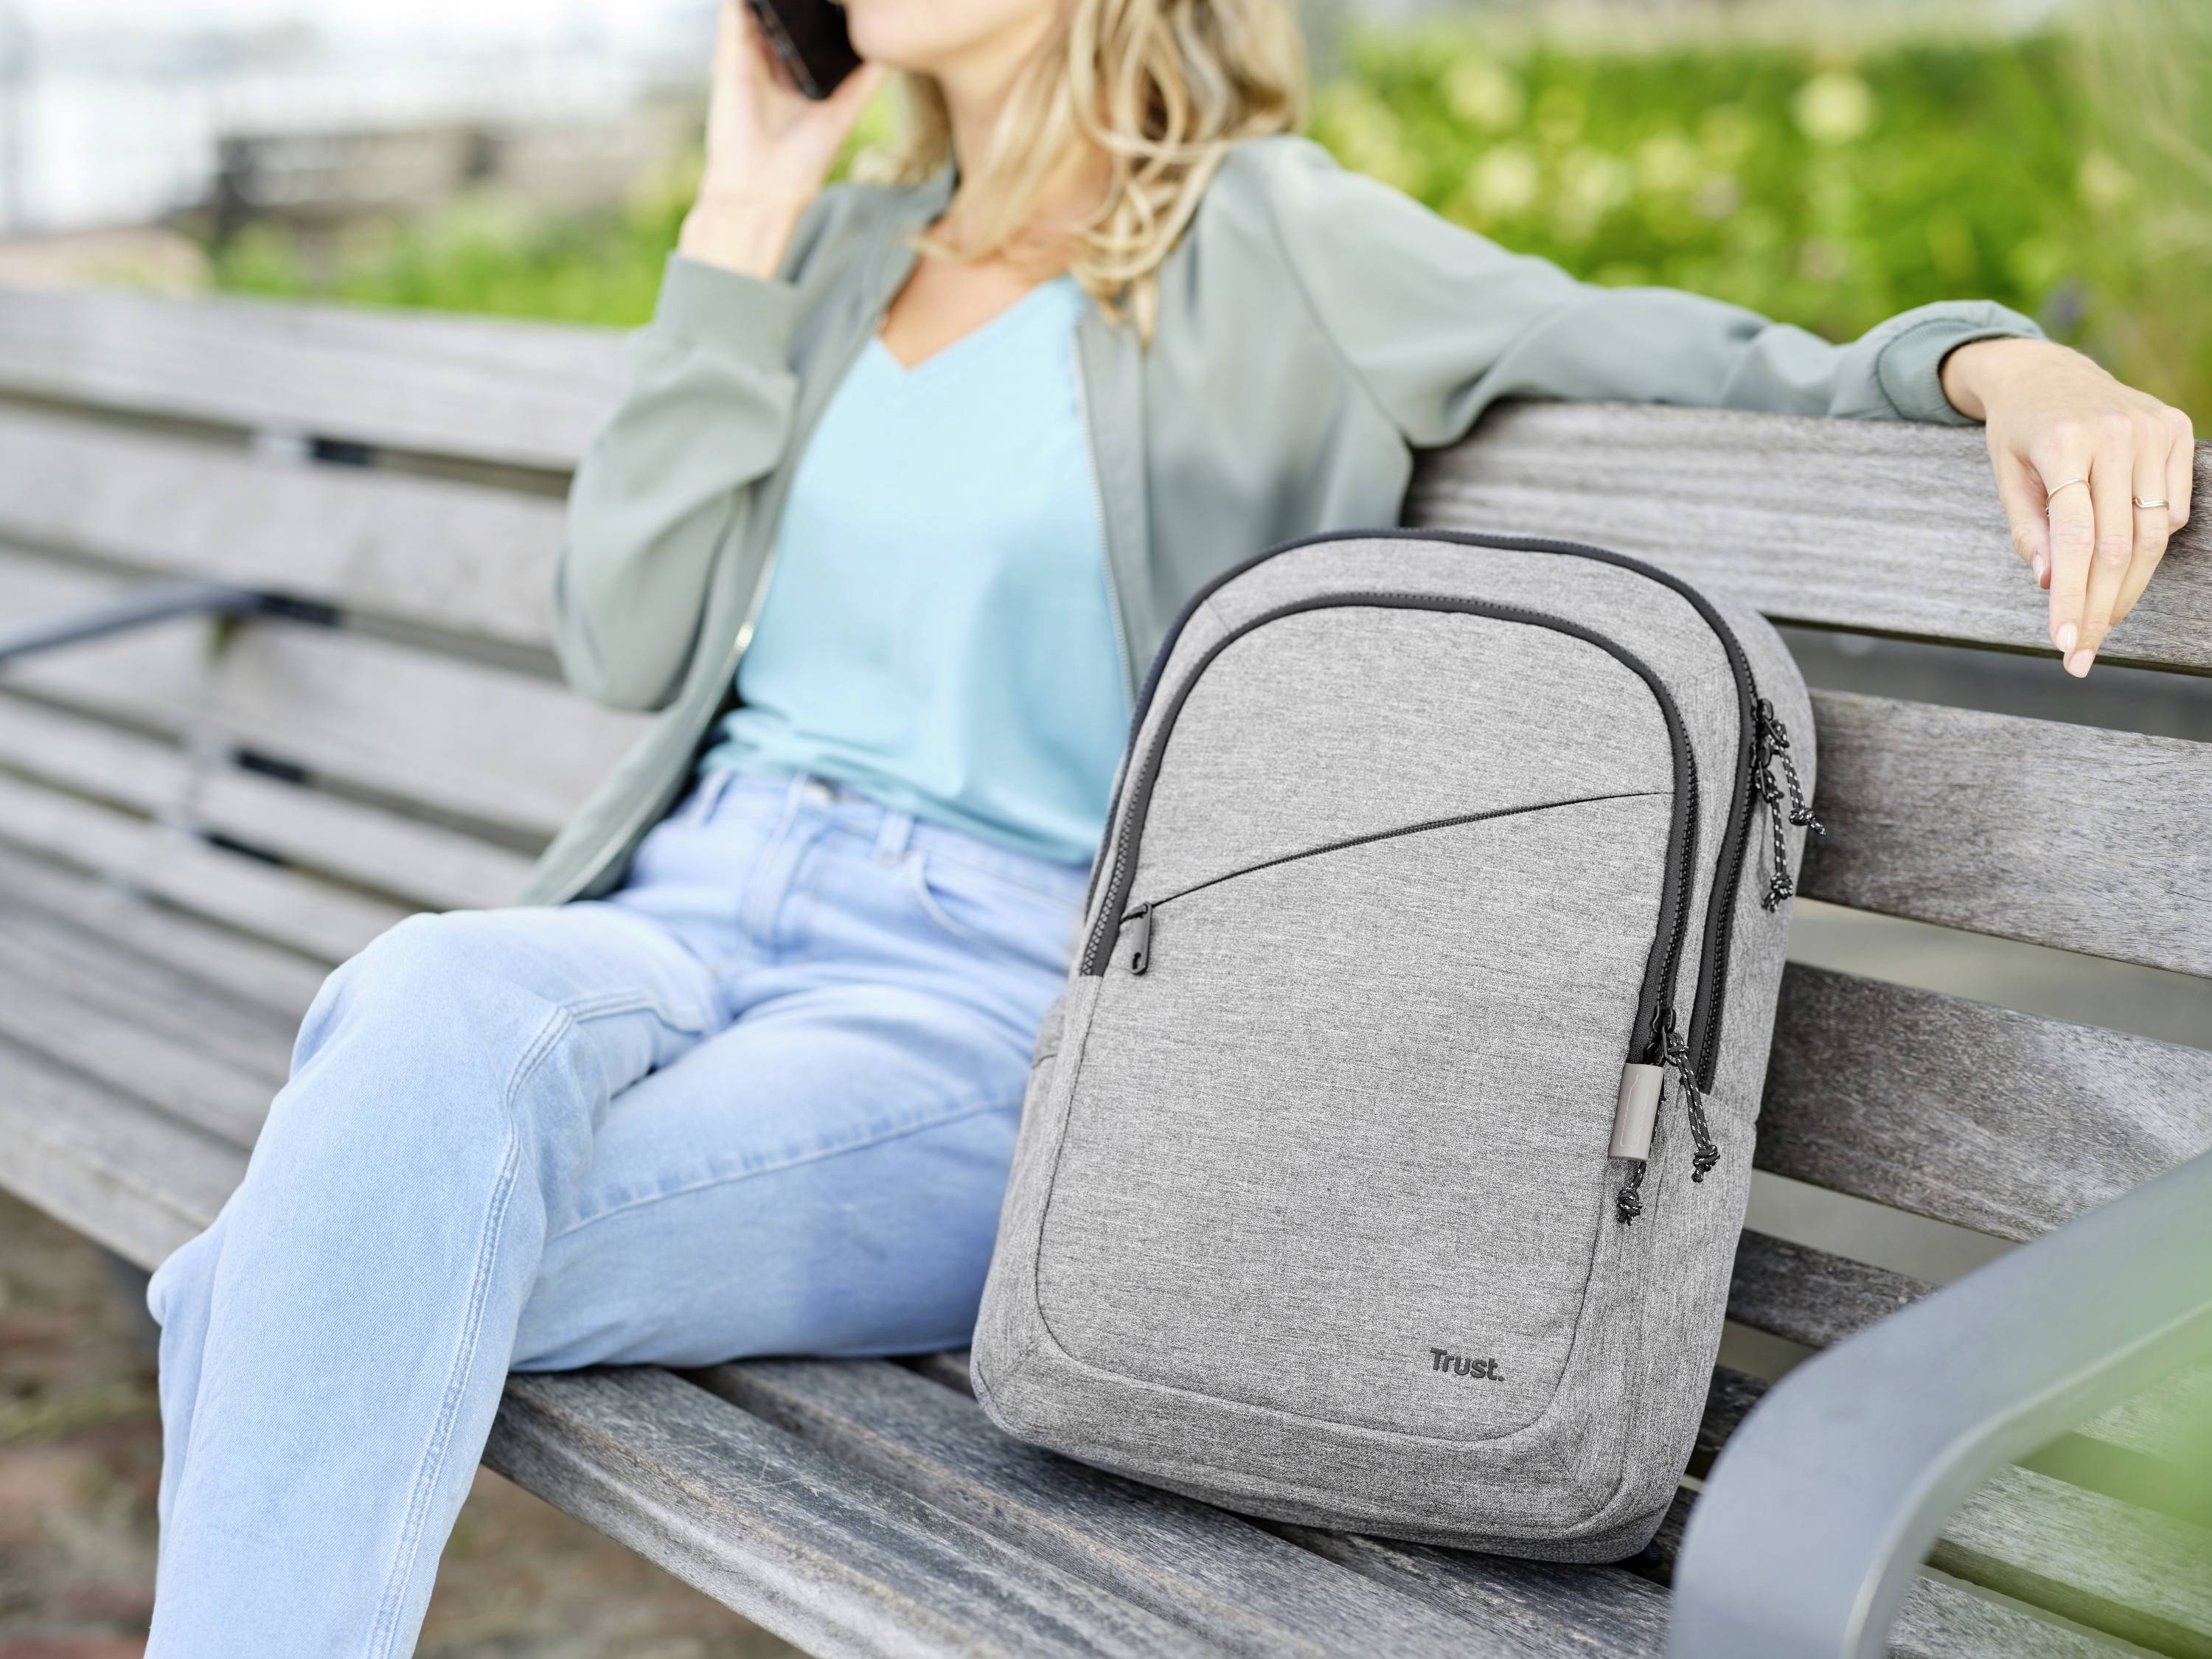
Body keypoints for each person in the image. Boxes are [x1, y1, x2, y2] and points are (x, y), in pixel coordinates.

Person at [142, 1, 2195, 1652]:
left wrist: (1998, 364)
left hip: (980, 1013)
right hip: (681, 904)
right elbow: (623, 629)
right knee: (416, 996)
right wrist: (742, 210)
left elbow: (1709, 361)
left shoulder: (1276, 238)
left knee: (277, 1271)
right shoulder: (842, 251)